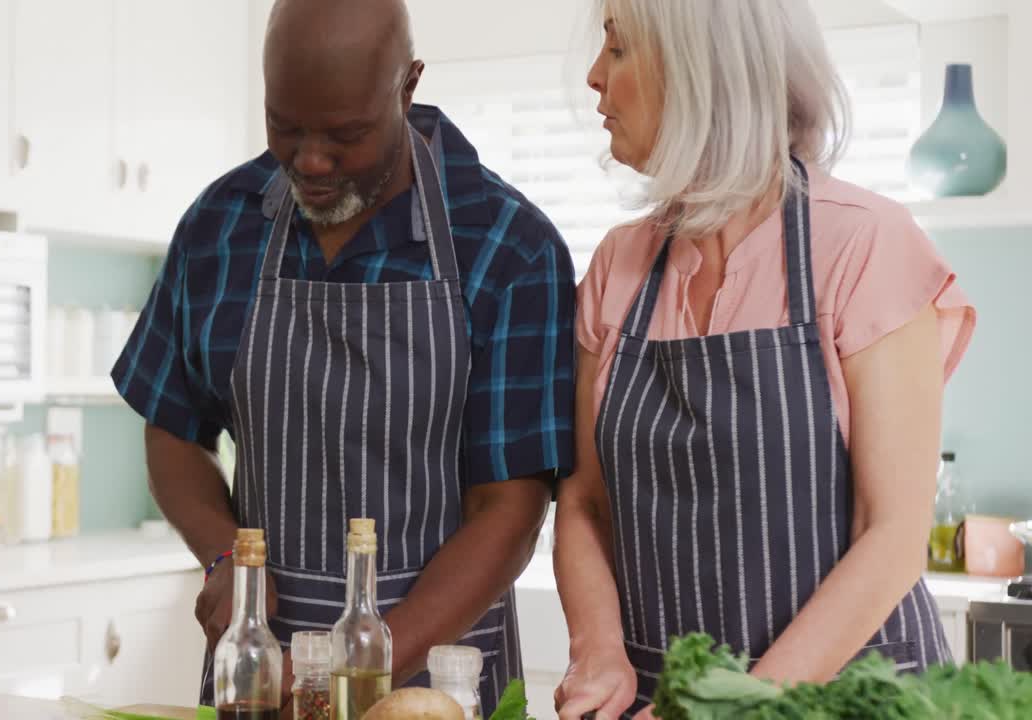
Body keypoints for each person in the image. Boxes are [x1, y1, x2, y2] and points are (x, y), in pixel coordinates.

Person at [112, 0, 577, 714]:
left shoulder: (508, 247)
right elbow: (172, 427)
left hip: (437, 682)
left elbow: (510, 510)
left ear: (408, 86)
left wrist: (363, 665)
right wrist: (225, 560)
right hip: (259, 680)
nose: (312, 161)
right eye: (285, 128)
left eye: (346, 134)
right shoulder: (219, 226)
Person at [553, 1, 977, 718]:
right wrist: (599, 649)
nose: (596, 77)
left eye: (619, 50)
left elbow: (894, 534)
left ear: (703, 72)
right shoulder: (618, 266)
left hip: (847, 698)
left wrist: (733, 706)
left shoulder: (865, 246)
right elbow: (585, 503)